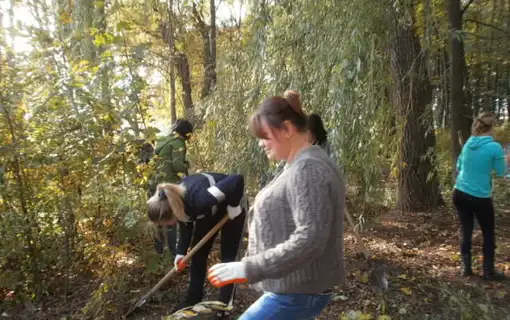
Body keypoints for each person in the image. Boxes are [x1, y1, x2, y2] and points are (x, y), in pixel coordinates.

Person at [206, 91, 346, 320]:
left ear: (287, 129)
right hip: (295, 289)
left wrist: (248, 268)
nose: (261, 144)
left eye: (265, 136)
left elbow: (310, 239)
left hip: (297, 292)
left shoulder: (308, 169)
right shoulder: (300, 164)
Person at [146, 172, 246, 317]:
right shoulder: (174, 201)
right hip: (209, 212)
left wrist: (233, 205)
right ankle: (193, 299)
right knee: (197, 255)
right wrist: (181, 252)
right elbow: (185, 223)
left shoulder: (200, 199)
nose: (166, 226)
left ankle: (224, 307)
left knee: (228, 259)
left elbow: (237, 179)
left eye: (165, 223)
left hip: (233, 206)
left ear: (173, 212)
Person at [453, 112, 509, 280]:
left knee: (466, 229)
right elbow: (501, 172)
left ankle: (466, 268)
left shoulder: (469, 142)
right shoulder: (494, 147)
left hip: (460, 193)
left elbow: (459, 166)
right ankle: (488, 271)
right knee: (488, 233)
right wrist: (506, 159)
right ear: (491, 127)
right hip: (480, 197)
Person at [148, 119, 194, 257]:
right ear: (186, 133)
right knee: (170, 217)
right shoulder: (178, 142)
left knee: (158, 216)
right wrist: (187, 165)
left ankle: (159, 251)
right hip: (168, 186)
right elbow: (177, 166)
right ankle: (174, 253)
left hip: (154, 185)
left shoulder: (162, 140)